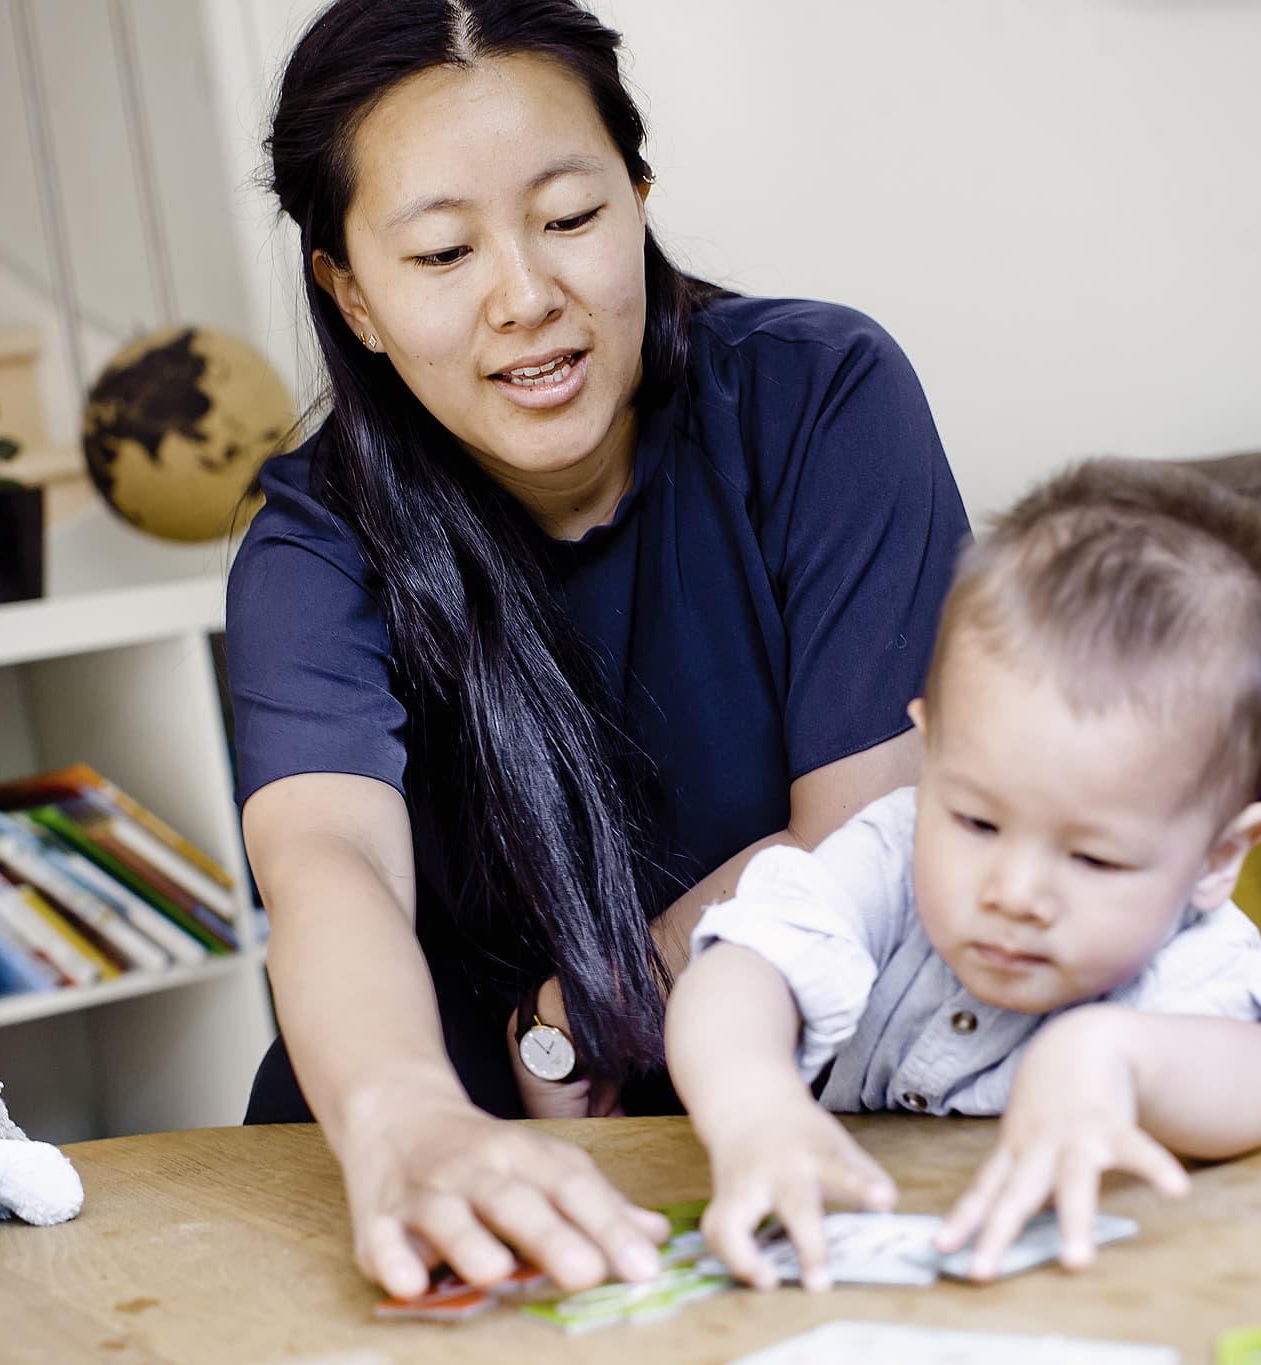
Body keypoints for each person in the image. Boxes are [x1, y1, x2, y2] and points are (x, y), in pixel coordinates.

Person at [224, 0, 969, 1302]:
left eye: (570, 218)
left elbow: (870, 836)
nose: (527, 298)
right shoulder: (314, 539)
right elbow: (324, 856)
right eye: (445, 252)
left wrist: (574, 1024)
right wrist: (404, 1116)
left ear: (637, 193)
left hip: (759, 1108)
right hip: (426, 1150)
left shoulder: (820, 394)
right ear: (352, 294)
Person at [665, 458, 1261, 1292]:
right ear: (934, 751)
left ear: (1215, 858)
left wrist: (1117, 1055)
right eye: (977, 822)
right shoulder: (887, 852)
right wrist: (753, 1107)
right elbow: (738, 970)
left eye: (1093, 857)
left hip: (1082, 1290)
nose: (1014, 894)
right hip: (846, 1270)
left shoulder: (1189, 947)